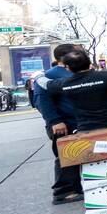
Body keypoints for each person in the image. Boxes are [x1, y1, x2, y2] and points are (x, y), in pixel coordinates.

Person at [33, 44, 83, 204]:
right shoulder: (50, 75)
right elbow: (42, 100)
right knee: (66, 155)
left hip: (80, 121)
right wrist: (55, 121)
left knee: (79, 153)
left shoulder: (74, 71)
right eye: (77, 51)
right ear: (66, 56)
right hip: (63, 124)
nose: (81, 53)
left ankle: (77, 187)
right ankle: (64, 192)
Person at [37, 49, 107, 133]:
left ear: (67, 68)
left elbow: (44, 83)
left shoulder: (64, 84)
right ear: (89, 62)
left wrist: (37, 75)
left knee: (96, 151)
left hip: (87, 129)